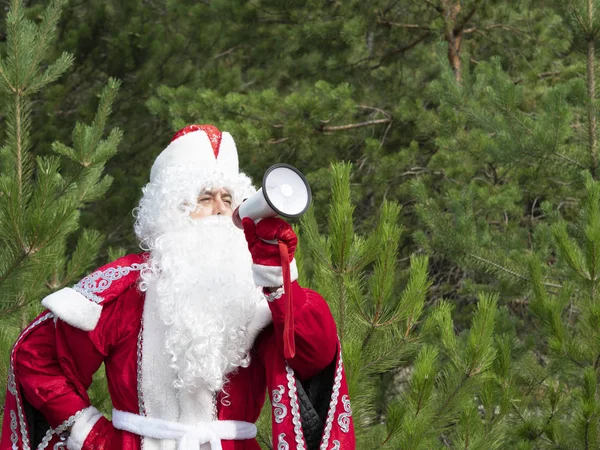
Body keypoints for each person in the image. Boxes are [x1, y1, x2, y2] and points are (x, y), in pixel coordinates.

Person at [0, 125, 355, 450]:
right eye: (205, 197)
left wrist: (281, 280)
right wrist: (90, 434)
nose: (220, 211)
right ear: (171, 208)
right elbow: (37, 357)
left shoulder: (259, 291)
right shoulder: (129, 287)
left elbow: (315, 357)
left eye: (229, 199)